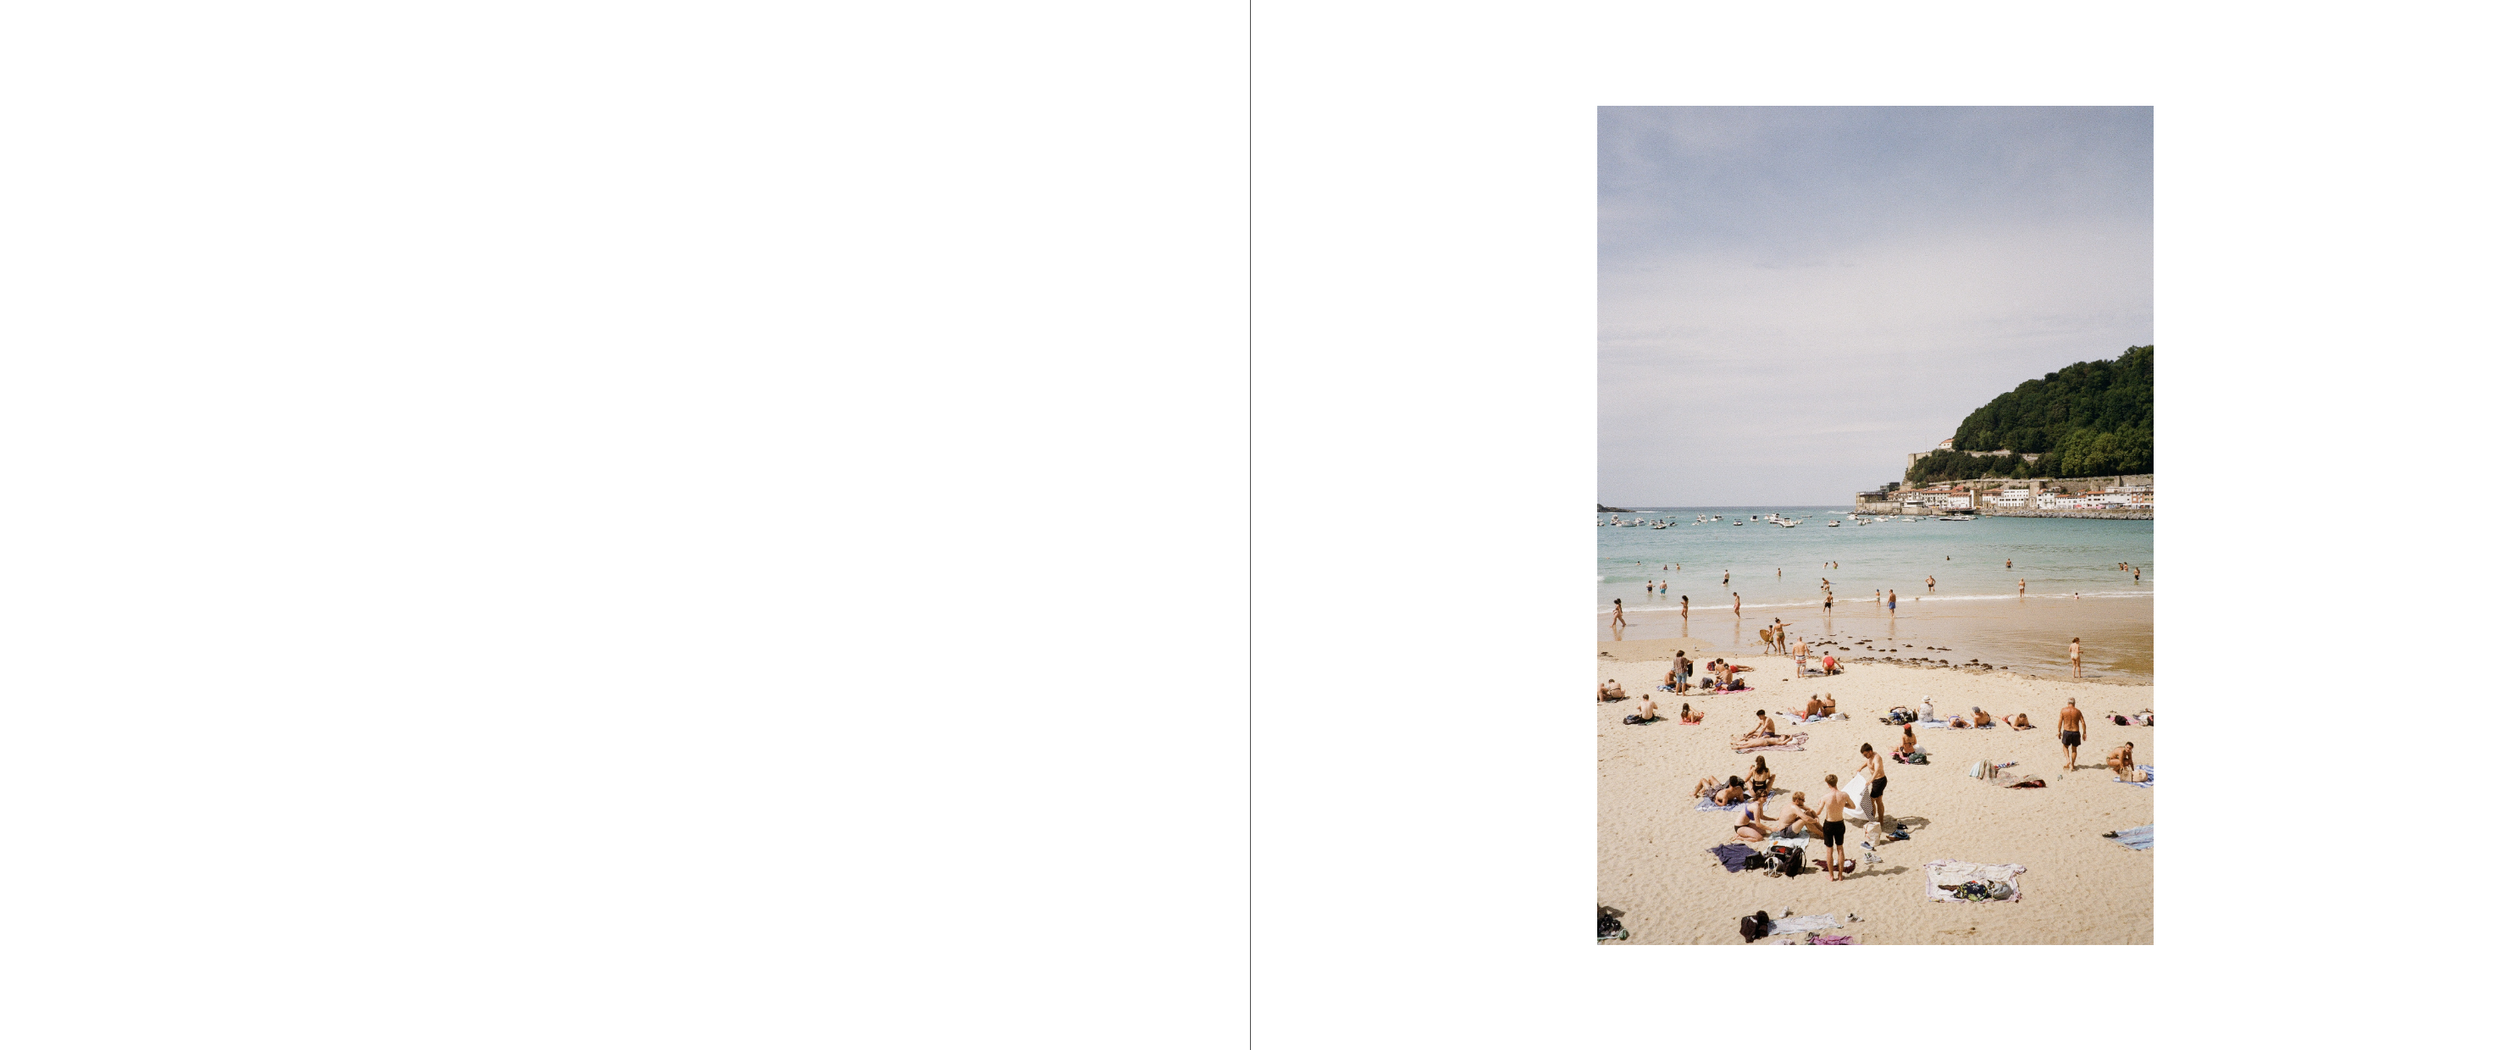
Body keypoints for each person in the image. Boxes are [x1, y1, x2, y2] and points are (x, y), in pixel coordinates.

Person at [1816, 774, 1850, 881]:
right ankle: (1840, 875)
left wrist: (1819, 804)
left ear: (1827, 784)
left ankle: (1831, 876)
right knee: (1840, 849)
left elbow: (1818, 812)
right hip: (1839, 822)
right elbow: (1853, 806)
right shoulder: (1844, 795)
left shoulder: (1825, 797)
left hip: (1829, 824)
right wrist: (1842, 805)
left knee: (1829, 850)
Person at [1856, 744, 1888, 839]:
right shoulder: (1869, 757)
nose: (1865, 756)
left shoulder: (1877, 758)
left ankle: (1873, 820)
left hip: (1879, 781)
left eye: (1866, 754)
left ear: (1870, 751)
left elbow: (1877, 770)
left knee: (1871, 800)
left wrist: (1871, 779)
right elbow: (1867, 762)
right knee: (1878, 801)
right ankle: (1880, 821)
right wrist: (1861, 768)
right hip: (1876, 781)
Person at [2057, 698, 2086, 772]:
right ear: (2074, 703)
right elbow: (2083, 722)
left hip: (2067, 731)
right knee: (2074, 749)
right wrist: (2084, 732)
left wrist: (2059, 731)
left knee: (2065, 746)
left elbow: (2060, 721)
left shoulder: (2063, 710)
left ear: (2068, 703)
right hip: (2075, 732)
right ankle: (2072, 765)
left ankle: (2068, 761)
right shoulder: (2077, 711)